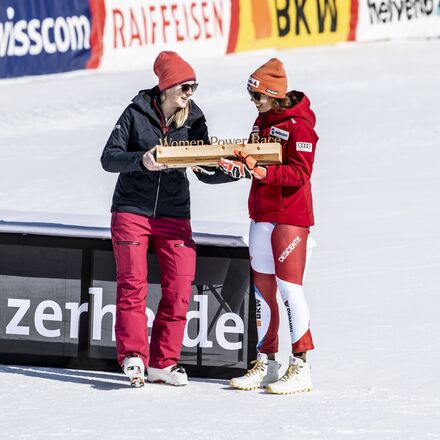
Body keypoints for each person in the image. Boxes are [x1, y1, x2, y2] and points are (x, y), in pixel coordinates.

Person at [101, 51, 223, 388]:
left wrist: (234, 170)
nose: (190, 93)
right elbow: (108, 158)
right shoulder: (136, 112)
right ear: (167, 86)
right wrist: (141, 160)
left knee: (181, 287)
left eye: (193, 87)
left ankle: (163, 363)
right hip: (131, 211)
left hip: (174, 214)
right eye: (185, 86)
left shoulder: (194, 118)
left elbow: (206, 169)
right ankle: (134, 357)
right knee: (133, 285)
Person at [218, 58, 318, 394]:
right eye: (251, 96)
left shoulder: (300, 126)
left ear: (274, 94)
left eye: (257, 96)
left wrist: (261, 172)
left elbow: (300, 174)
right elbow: (253, 159)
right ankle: (268, 361)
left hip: (290, 217)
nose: (253, 102)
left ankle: (301, 365)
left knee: (290, 290)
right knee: (262, 291)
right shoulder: (261, 120)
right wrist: (236, 166)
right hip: (261, 214)